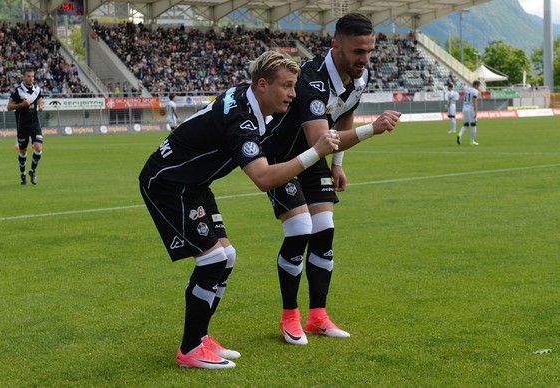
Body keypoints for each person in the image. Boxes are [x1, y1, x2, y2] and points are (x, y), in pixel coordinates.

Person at [138, 51, 340, 369]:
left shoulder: (248, 101)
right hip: (168, 184)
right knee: (213, 258)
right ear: (262, 85)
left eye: (295, 86)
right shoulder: (242, 121)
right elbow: (262, 178)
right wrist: (316, 152)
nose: (293, 93)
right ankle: (190, 349)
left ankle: (201, 338)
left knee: (226, 256)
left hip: (193, 185)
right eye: (287, 86)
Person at [260, 13, 401, 346]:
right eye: (357, 52)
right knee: (299, 230)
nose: (364, 59)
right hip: (282, 159)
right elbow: (318, 138)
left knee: (324, 231)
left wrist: (337, 163)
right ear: (336, 45)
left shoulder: (357, 78)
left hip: (316, 161)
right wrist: (373, 129)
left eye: (369, 51)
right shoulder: (311, 80)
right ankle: (290, 317)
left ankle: (317, 317)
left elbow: (345, 114)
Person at [7, 68, 44, 185]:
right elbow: (9, 107)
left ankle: (32, 171)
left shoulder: (37, 89)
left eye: (32, 76)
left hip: (35, 124)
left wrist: (41, 105)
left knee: (38, 148)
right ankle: (22, 174)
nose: (31, 78)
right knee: (23, 152)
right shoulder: (17, 91)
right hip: (22, 126)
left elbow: (40, 98)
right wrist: (21, 104)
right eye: (28, 76)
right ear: (24, 77)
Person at [457, 80, 480, 146]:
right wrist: (476, 111)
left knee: (466, 125)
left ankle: (459, 135)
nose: (478, 88)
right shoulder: (475, 91)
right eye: (478, 86)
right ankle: (472, 141)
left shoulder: (467, 89)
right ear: (476, 85)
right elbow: (474, 101)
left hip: (464, 108)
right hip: (471, 109)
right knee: (474, 125)